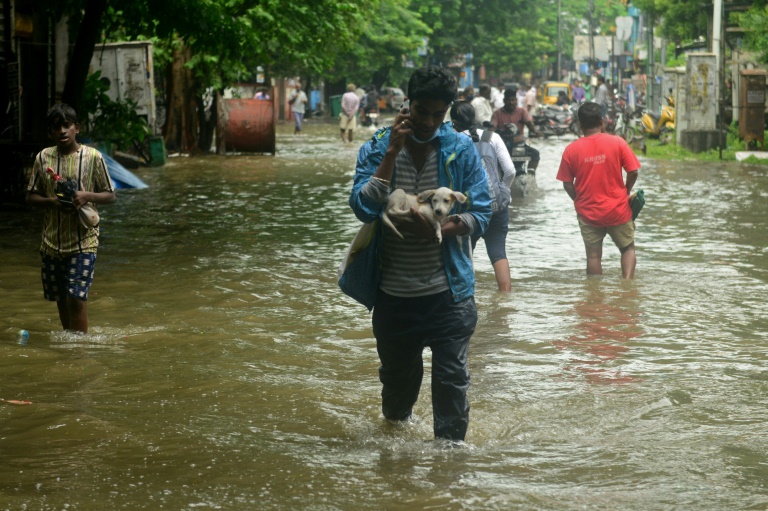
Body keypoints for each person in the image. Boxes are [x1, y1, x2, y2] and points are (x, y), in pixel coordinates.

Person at [348, 66, 492, 442]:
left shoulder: (460, 150)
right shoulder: (378, 145)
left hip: (450, 295)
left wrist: (438, 229)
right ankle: (396, 470)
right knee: (397, 398)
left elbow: (482, 212)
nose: (428, 121)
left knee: (452, 385)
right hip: (394, 297)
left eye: (437, 114)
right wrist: (391, 154)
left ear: (447, 110)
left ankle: (448, 476)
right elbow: (362, 209)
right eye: (421, 111)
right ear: (406, 105)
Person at [25, 103, 116, 333]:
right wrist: (51, 202)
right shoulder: (43, 158)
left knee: (76, 299)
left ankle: (80, 349)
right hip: (51, 241)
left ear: (77, 128)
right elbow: (30, 196)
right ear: (51, 131)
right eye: (57, 127)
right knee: (61, 299)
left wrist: (87, 196)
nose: (62, 131)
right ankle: (70, 343)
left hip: (84, 239)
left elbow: (110, 196)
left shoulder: (93, 157)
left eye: (67, 125)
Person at [556, 102, 640, 279]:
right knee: (627, 248)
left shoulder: (571, 150)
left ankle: (594, 296)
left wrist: (578, 199)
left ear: (580, 124)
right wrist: (625, 191)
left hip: (589, 213)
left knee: (593, 256)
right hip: (618, 209)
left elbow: (566, 183)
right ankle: (627, 286)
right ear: (602, 122)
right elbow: (633, 171)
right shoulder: (618, 142)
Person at [451, 102, 514, 292]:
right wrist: (502, 191)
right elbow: (510, 171)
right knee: (498, 253)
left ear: (453, 121)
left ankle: (466, 297)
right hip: (497, 207)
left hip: (469, 211)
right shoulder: (492, 137)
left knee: (463, 253)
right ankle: (505, 299)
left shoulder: (453, 140)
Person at [491, 88, 540, 174]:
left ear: (516, 100)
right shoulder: (497, 114)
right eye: (508, 100)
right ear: (504, 100)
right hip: (503, 146)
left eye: (513, 100)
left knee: (535, 153)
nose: (511, 102)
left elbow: (529, 123)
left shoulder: (522, 112)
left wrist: (535, 132)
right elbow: (491, 127)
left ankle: (530, 176)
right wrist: (486, 138)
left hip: (519, 146)